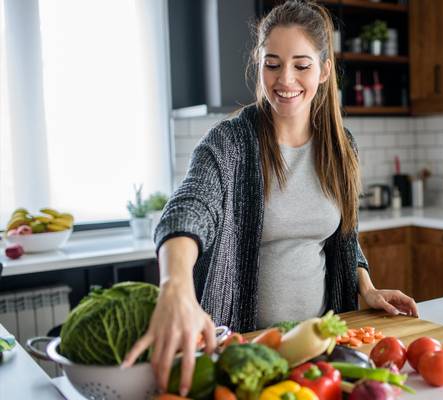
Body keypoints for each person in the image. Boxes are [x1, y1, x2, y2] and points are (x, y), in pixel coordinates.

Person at [122, 0, 418, 396]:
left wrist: (366, 287)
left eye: (301, 64)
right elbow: (189, 208)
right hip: (244, 352)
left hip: (319, 350)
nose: (285, 79)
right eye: (272, 63)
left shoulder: (341, 146)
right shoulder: (228, 144)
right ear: (258, 64)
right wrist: (175, 285)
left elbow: (344, 237)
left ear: (325, 70)